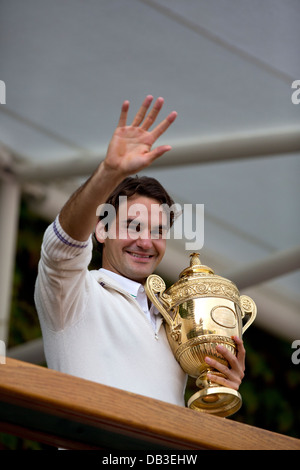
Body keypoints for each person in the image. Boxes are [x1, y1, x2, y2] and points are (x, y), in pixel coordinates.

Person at [35, 95, 245, 407]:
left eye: (158, 231)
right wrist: (109, 171)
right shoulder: (73, 293)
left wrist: (216, 390)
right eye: (134, 226)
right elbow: (61, 247)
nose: (146, 242)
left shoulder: (178, 321)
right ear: (102, 228)